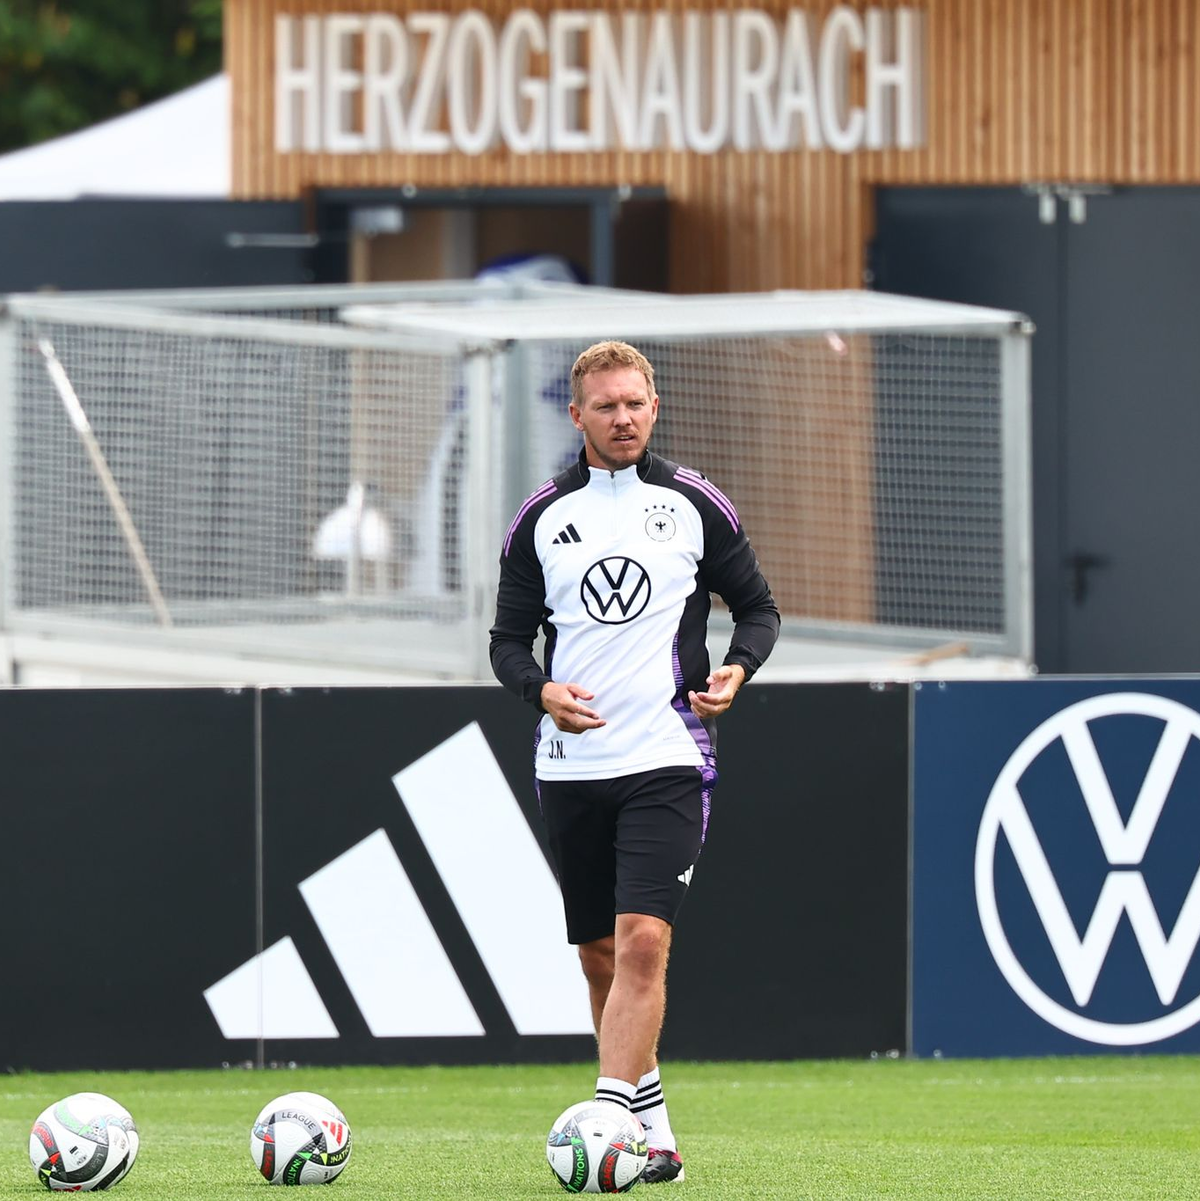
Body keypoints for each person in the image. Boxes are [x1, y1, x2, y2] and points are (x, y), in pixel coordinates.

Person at [490, 340, 780, 1185]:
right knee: (598, 957)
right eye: (606, 405)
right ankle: (654, 1138)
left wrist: (739, 666)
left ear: (655, 406)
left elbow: (756, 608)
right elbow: (508, 643)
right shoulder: (541, 518)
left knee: (643, 939)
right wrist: (541, 690)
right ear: (577, 416)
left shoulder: (694, 504)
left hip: (667, 753)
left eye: (636, 402)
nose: (623, 417)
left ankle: (607, 1122)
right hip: (571, 764)